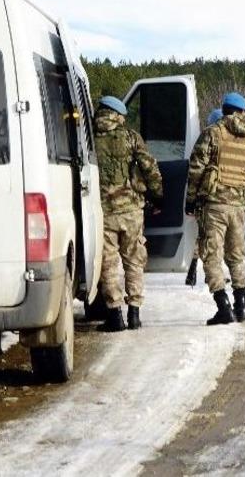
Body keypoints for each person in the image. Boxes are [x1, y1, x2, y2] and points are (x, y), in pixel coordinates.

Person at [186, 92, 245, 325]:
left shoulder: (212, 133)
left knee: (212, 256)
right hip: (238, 207)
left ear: (224, 108)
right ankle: (242, 306)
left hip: (214, 205)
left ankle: (223, 307)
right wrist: (243, 197)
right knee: (236, 256)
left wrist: (191, 200)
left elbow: (196, 169)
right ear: (243, 112)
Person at [93, 95, 163, 331]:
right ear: (118, 115)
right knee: (134, 259)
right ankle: (134, 313)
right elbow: (149, 167)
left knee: (108, 263)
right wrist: (157, 196)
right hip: (132, 210)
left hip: (104, 212)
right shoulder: (131, 137)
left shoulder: (89, 138)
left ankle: (115, 316)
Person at [184, 108, 225, 287]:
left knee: (201, 237)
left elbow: (195, 171)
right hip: (226, 201)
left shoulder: (207, 139)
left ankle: (193, 270)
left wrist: (191, 200)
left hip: (206, 199)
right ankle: (213, 274)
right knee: (215, 241)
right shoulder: (231, 142)